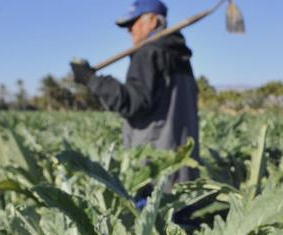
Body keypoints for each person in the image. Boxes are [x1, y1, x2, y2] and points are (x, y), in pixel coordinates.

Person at [71, 0, 200, 192]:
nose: (130, 30)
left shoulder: (149, 52)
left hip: (155, 169)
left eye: (133, 23)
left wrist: (92, 80)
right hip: (182, 169)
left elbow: (132, 102)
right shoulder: (179, 55)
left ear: (153, 22)